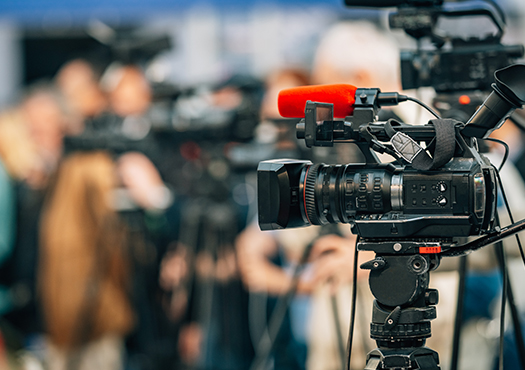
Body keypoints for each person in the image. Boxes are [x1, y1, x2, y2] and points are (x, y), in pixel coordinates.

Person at [39, 151, 135, 370]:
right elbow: (117, 254)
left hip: (63, 323)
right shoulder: (94, 171)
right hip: (95, 319)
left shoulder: (62, 183)